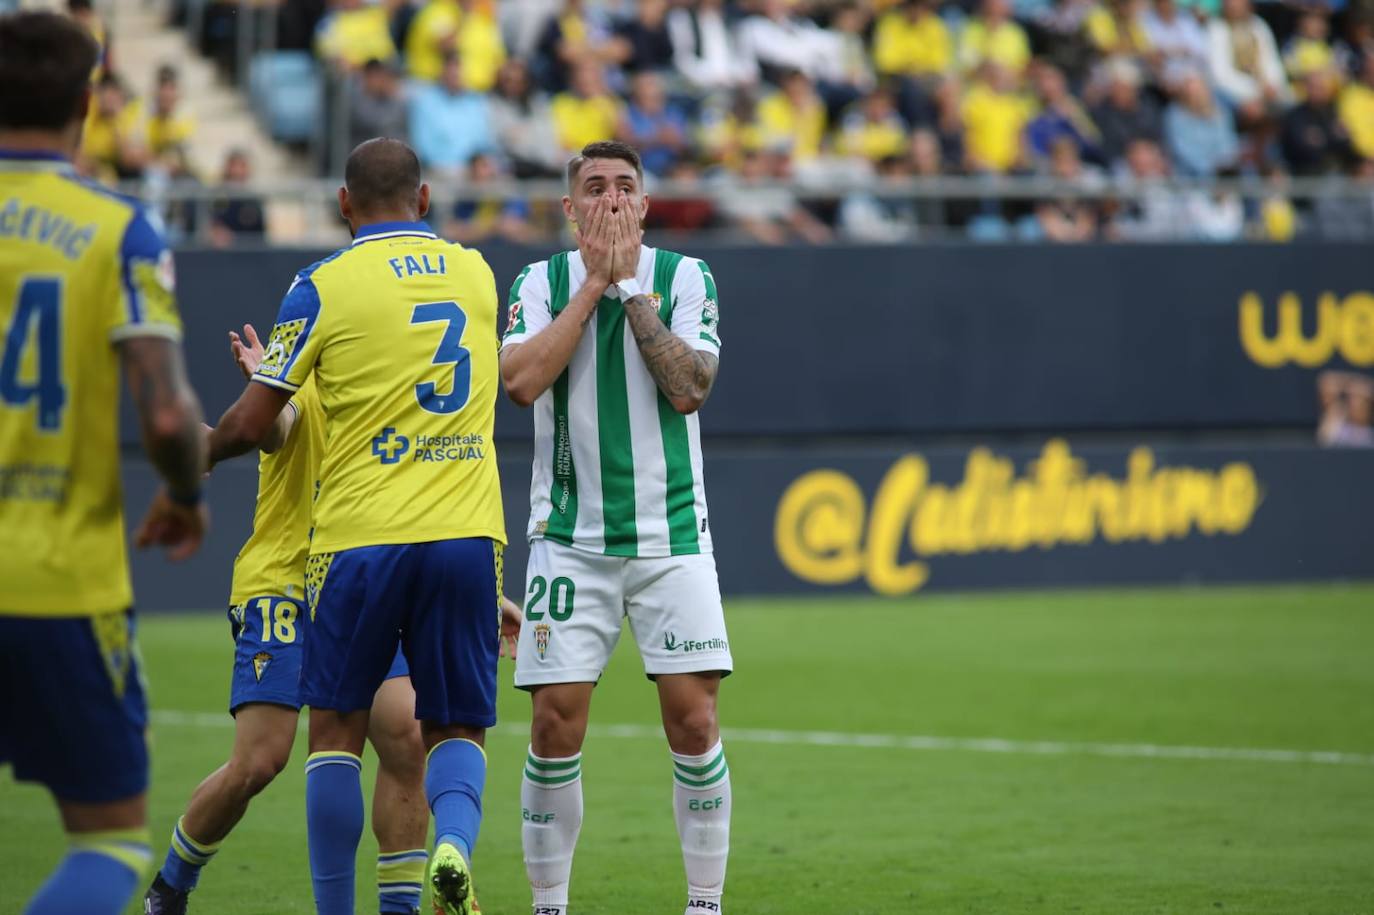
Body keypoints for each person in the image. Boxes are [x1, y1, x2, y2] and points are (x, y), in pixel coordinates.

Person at [206, 137, 506, 915]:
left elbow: (251, 425)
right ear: (427, 198)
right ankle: (453, 845)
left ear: (343, 204)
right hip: (467, 530)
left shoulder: (322, 286)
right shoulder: (476, 274)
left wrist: (191, 458)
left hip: (359, 539)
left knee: (336, 730)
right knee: (454, 727)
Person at [142, 319, 511, 915]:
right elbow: (277, 427)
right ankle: (172, 882)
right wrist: (264, 386)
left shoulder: (398, 393)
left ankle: (401, 907)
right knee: (260, 760)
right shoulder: (301, 382)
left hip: (369, 586)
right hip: (285, 583)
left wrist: (481, 598)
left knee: (406, 738)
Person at [0, 11, 208, 915]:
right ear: (87, 106)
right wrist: (184, 492)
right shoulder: (119, 228)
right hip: (62, 583)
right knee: (114, 837)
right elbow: (164, 409)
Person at [501, 140, 735, 915]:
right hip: (570, 537)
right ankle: (549, 904)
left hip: (672, 535)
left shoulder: (686, 277)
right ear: (569, 209)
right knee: (553, 722)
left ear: (644, 202)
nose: (609, 199)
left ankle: (704, 903)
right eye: (593, 188)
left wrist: (629, 287)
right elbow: (523, 381)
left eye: (624, 187)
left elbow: (690, 388)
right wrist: (594, 281)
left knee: (694, 720)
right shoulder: (537, 282)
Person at [409, 53, 496, 177]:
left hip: (476, 169)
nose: (456, 77)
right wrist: (456, 167)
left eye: (458, 73)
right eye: (452, 73)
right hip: (440, 169)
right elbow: (424, 147)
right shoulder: (425, 102)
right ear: (442, 73)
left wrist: (479, 162)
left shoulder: (476, 102)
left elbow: (484, 140)